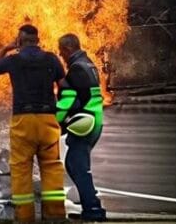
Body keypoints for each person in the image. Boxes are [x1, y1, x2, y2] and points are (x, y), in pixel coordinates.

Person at [0, 24, 66, 222]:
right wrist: (62, 114)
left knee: (21, 168)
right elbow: (64, 87)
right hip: (48, 120)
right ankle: (55, 215)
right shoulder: (52, 59)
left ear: (19, 42)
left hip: (23, 120)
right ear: (38, 40)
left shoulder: (13, 60)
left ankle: (25, 217)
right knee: (52, 166)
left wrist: (5, 49)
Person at [56, 34, 106, 221]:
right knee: (75, 163)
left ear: (68, 49)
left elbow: (71, 100)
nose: (61, 55)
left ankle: (93, 209)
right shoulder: (89, 64)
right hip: (95, 120)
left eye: (62, 52)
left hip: (86, 122)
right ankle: (91, 203)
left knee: (77, 165)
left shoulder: (76, 69)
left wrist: (58, 121)